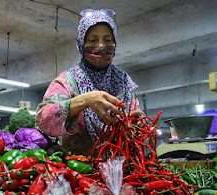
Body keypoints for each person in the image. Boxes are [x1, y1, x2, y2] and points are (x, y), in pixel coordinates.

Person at [36, 9, 144, 155]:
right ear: (81, 43)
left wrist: (138, 124)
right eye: (92, 40)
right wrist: (85, 100)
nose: (101, 46)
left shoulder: (123, 81)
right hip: (79, 170)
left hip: (121, 168)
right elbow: (44, 121)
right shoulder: (68, 80)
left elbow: (134, 123)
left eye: (107, 40)